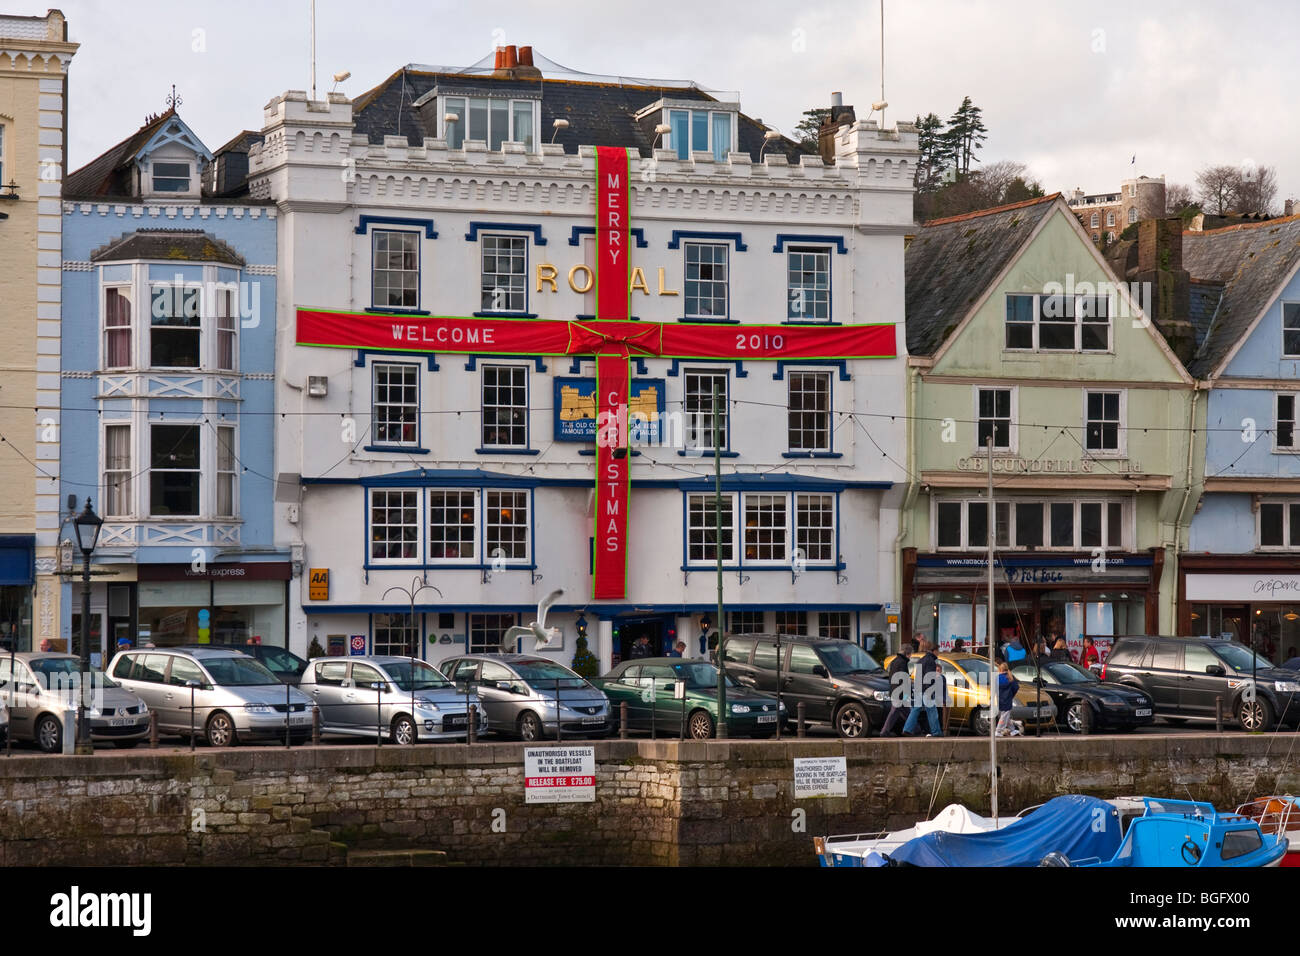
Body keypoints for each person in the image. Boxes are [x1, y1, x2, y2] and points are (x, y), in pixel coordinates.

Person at [902, 640, 945, 737]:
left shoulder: (921, 660)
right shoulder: (930, 661)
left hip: (918, 689)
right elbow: (929, 677)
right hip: (926, 690)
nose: (938, 653)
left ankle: (907, 729)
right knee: (932, 711)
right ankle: (936, 732)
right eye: (938, 650)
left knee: (915, 710)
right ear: (934, 651)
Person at [880, 639, 916, 737]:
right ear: (906, 653)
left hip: (895, 690)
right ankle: (884, 731)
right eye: (910, 654)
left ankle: (914, 729)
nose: (911, 656)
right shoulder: (902, 663)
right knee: (896, 711)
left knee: (907, 711)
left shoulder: (895, 661)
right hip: (900, 693)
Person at [995, 661, 1021, 737]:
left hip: (999, 700)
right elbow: (1016, 688)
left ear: (1000, 670)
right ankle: (998, 730)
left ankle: (1012, 730)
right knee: (1004, 716)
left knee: (1005, 716)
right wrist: (1011, 695)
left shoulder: (997, 678)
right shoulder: (1010, 678)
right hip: (1007, 699)